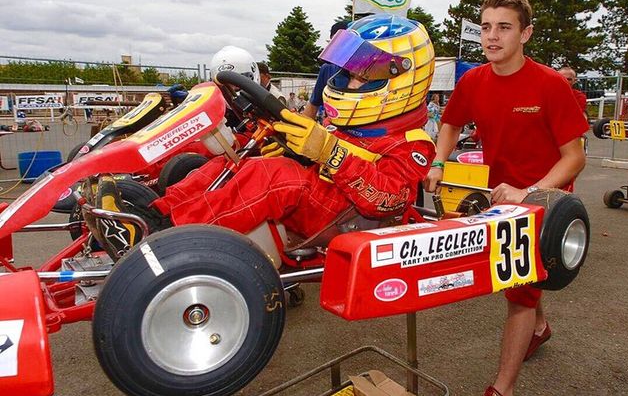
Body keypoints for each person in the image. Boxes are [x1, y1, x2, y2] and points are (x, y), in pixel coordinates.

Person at [96, 14, 436, 262]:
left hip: (352, 219)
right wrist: (296, 149)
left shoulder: (414, 142)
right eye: (347, 72)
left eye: (362, 75)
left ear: (401, 78)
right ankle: (151, 216)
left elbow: (390, 199)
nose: (348, 82)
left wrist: (329, 152)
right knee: (233, 163)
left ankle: (158, 241)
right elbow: (323, 159)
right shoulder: (352, 125)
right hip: (327, 199)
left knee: (274, 177)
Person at [424, 0, 588, 396]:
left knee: (517, 289)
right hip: (502, 194)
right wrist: (439, 162)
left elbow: (575, 157)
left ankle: (501, 393)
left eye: (504, 27)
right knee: (523, 283)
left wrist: (530, 191)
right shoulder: (473, 81)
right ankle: (540, 329)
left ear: (525, 33)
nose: (492, 36)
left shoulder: (550, 84)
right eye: (486, 27)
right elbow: (451, 124)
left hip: (546, 199)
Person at [303, 20, 349, 121]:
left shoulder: (372, 69)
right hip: (333, 131)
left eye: (345, 41)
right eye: (335, 42)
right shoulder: (328, 68)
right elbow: (312, 106)